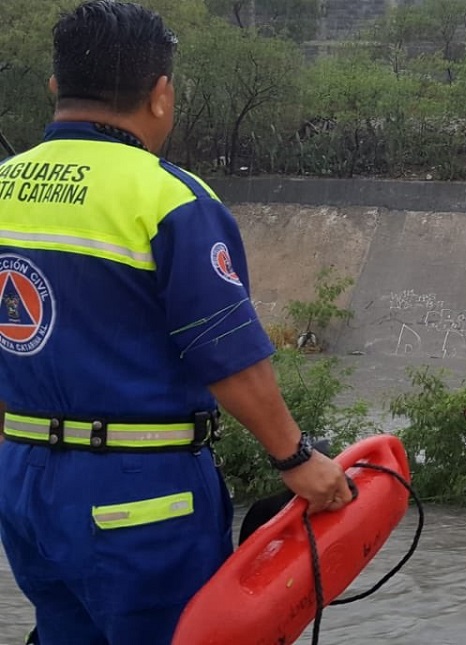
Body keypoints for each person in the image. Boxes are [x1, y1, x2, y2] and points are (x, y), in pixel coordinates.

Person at [0, 3, 352, 644]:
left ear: (55, 87)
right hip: (140, 490)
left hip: (22, 479)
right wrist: (296, 458)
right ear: (160, 94)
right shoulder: (168, 198)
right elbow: (228, 355)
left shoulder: (4, 185)